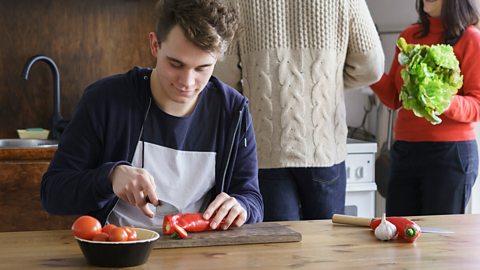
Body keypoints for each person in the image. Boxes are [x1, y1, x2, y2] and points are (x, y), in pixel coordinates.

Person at [40, 0, 263, 231]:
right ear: (155, 45)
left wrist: (242, 206)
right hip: (119, 250)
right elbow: (52, 194)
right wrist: (110, 177)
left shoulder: (233, 110)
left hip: (201, 252)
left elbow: (252, 199)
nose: (187, 82)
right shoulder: (104, 100)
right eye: (176, 64)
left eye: (202, 68)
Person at [214, 0, 384, 221]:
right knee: (326, 246)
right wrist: (328, 84)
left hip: (267, 150)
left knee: (280, 250)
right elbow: (371, 66)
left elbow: (224, 75)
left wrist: (256, 92)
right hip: (323, 147)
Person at [370, 0, 480, 216]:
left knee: (438, 241)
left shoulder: (471, 40)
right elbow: (395, 98)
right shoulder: (409, 36)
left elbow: (477, 105)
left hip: (449, 155)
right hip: (405, 151)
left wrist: (442, 100)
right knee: (399, 234)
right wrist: (369, 73)